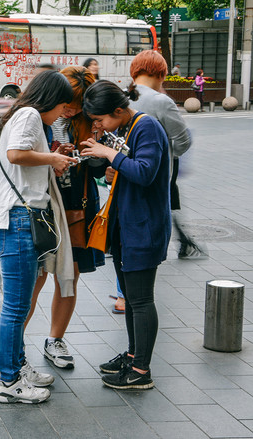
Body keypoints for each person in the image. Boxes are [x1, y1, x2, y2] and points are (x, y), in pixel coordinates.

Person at [0, 69, 78, 404]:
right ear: (51, 100)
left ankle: (18, 367)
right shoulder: (28, 114)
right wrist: (53, 157)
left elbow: (20, 161)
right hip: (17, 222)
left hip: (15, 220)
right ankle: (9, 382)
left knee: (19, 304)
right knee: (15, 307)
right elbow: (16, 154)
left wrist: (50, 160)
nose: (62, 115)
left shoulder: (19, 113)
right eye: (62, 108)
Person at [80, 81, 171, 390]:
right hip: (126, 226)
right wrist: (111, 167)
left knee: (141, 299)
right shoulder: (127, 128)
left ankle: (141, 371)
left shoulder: (147, 127)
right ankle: (133, 355)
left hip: (144, 228)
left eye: (100, 120)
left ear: (118, 111)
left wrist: (109, 153)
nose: (97, 126)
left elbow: (146, 171)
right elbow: (131, 169)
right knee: (130, 297)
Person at [24, 66, 106, 370]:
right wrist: (54, 153)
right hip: (43, 204)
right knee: (36, 276)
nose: (70, 111)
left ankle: (55, 339)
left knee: (68, 276)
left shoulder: (87, 120)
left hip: (76, 205)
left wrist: (92, 155)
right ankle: (16, 341)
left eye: (78, 106)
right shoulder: (36, 115)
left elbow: (97, 167)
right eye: (68, 103)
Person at [130, 50, 205, 259]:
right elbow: (183, 140)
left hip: (122, 171)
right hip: (155, 176)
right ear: (161, 74)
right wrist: (169, 155)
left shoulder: (120, 95)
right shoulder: (161, 101)